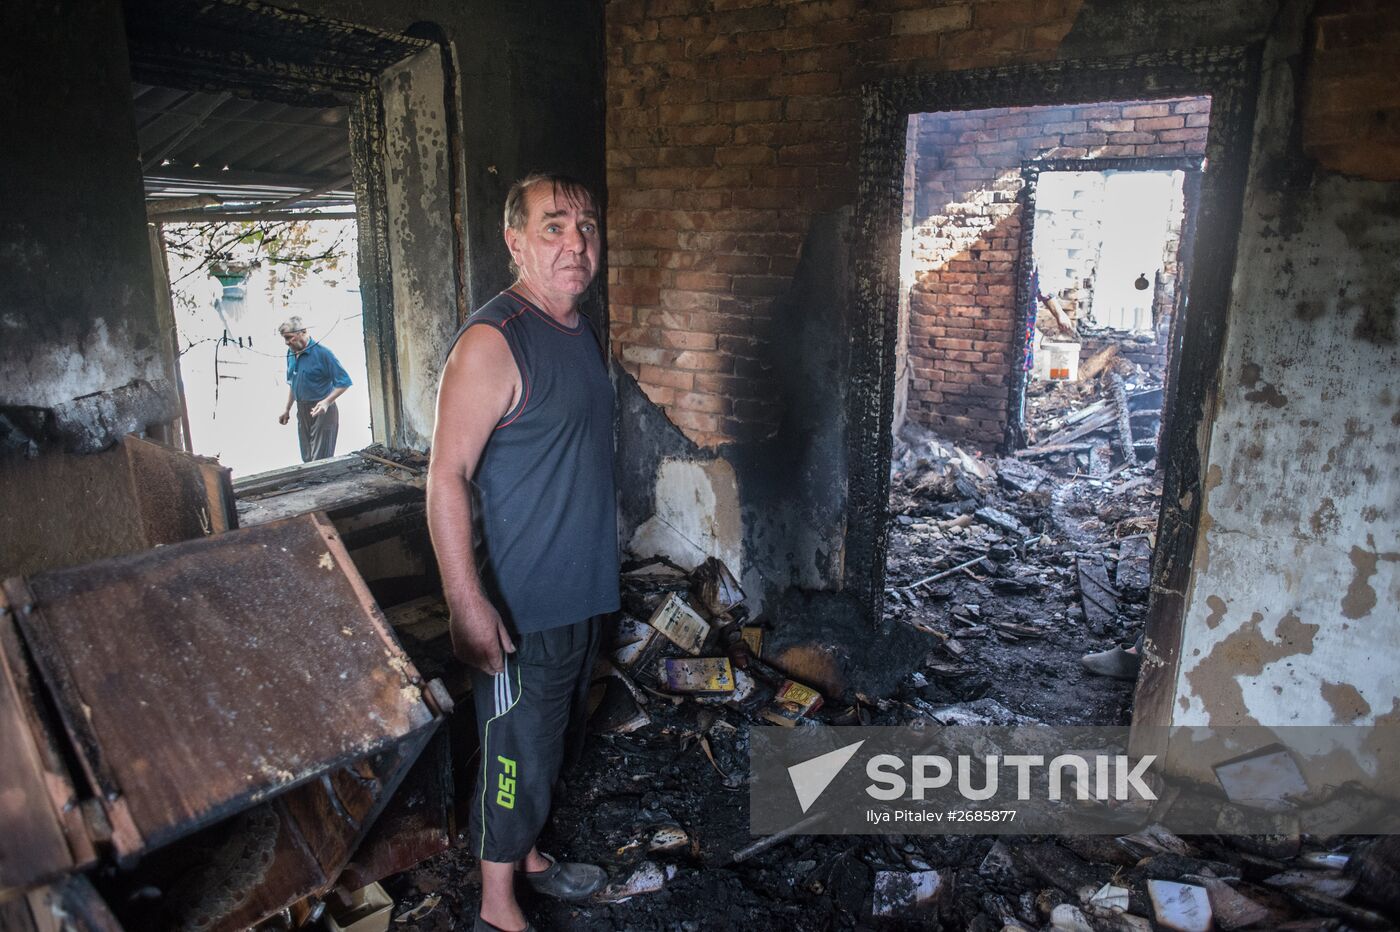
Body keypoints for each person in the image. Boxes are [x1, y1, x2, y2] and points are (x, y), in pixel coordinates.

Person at [426, 173, 618, 932]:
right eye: (553, 226)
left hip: (579, 591)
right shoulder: (493, 341)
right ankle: (497, 908)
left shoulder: (575, 326)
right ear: (515, 241)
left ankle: (529, 855)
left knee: (553, 740)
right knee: (514, 752)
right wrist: (465, 602)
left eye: (588, 227)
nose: (576, 244)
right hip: (522, 604)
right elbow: (445, 477)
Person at [276, 317, 352, 462]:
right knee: (307, 457)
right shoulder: (290, 353)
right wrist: (287, 409)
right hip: (302, 409)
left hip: (322, 409)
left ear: (302, 332)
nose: (286, 342)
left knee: (320, 458)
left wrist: (326, 402)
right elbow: (293, 382)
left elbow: (344, 382)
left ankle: (324, 484)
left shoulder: (323, 353)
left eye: (289, 338)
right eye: (284, 339)